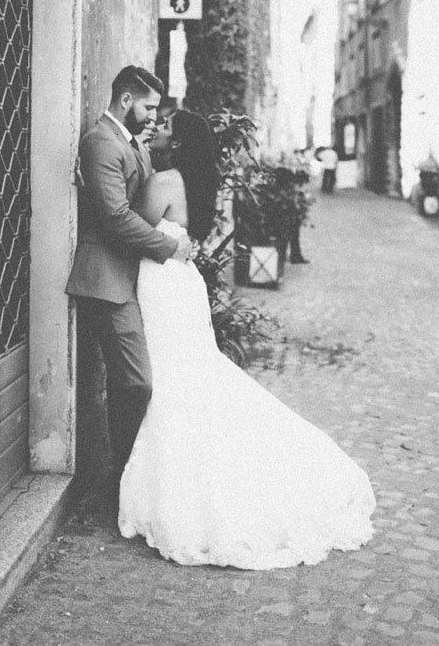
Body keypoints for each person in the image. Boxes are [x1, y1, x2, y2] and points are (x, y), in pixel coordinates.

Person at [118, 109, 376, 569]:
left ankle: (184, 491)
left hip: (162, 285)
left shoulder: (163, 182)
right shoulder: (197, 181)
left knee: (174, 383)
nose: (156, 130)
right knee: (190, 378)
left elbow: (128, 229)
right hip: (182, 284)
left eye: (166, 128)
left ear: (178, 143)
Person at [65, 66, 192, 503]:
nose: (153, 115)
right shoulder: (102, 142)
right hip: (104, 278)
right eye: (148, 106)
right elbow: (115, 216)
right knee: (137, 382)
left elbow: (140, 202)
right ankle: (121, 481)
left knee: (128, 380)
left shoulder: (131, 142)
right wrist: (167, 246)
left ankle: (124, 479)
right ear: (125, 101)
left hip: (128, 276)